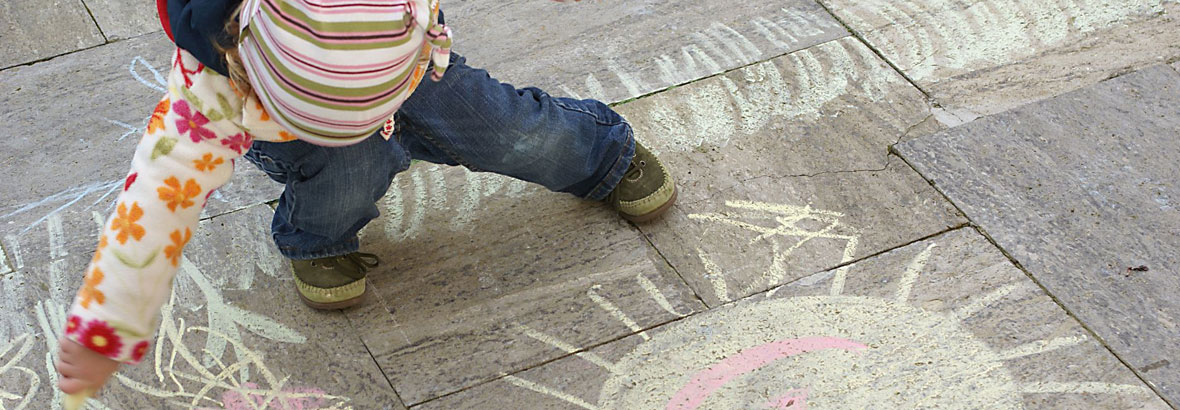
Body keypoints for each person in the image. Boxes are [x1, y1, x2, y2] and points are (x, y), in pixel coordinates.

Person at [54, 0, 676, 397]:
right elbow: (155, 208)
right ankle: (318, 233)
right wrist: (102, 328)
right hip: (294, 124)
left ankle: (599, 154)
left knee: (506, 129)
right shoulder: (211, 87)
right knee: (349, 163)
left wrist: (408, 62)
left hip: (410, 71)